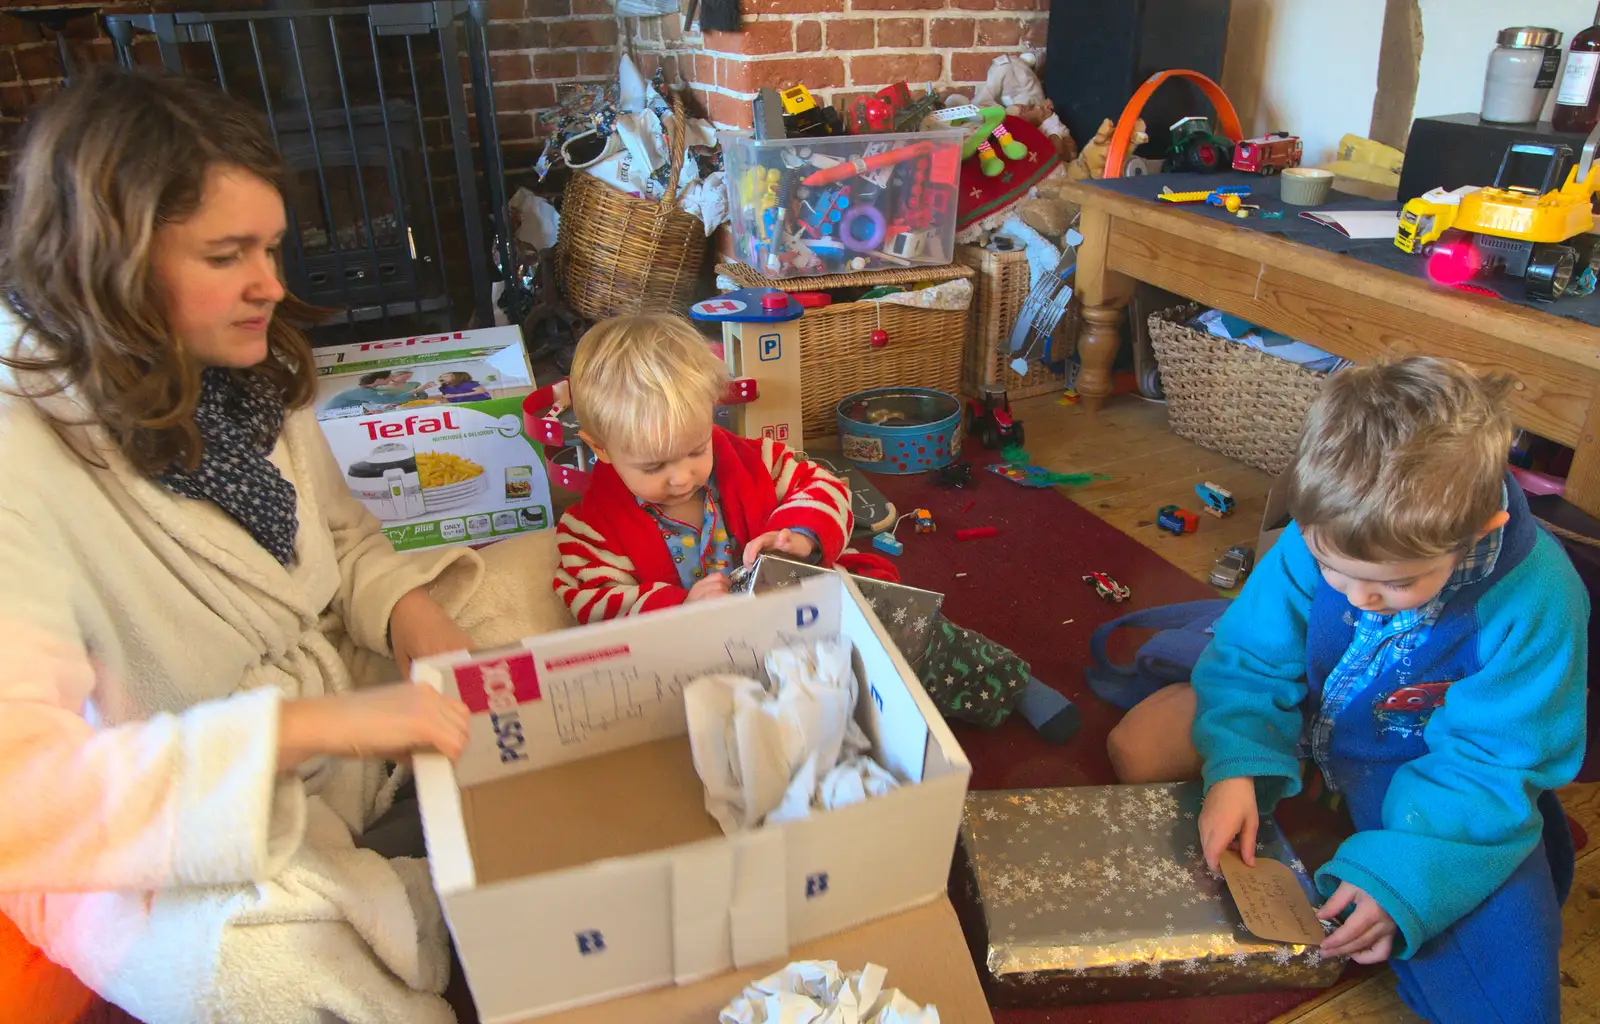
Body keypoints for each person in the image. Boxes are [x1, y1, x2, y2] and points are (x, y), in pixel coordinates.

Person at [0, 67, 558, 1024]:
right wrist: (310, 731)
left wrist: (415, 615)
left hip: (328, 722)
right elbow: (24, 801)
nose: (273, 285)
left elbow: (339, 540)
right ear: (114, 265)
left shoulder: (243, 368)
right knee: (274, 985)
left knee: (527, 564)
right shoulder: (20, 457)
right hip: (157, 833)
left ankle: (411, 844)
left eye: (271, 246)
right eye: (228, 256)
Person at [1105, 357, 1587, 1024]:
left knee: (1508, 997)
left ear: (1479, 533)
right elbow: (1249, 659)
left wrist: (1404, 879)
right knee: (1141, 750)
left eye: (1394, 586)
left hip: (1423, 766)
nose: (1361, 599)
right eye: (1334, 569)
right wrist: (1238, 767)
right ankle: (1293, 782)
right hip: (1311, 707)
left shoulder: (1538, 598)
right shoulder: (1324, 528)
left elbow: (1495, 762)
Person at [550, 314, 1080, 744]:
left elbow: (824, 487)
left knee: (895, 628)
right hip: (710, 659)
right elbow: (592, 602)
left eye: (696, 449)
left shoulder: (752, 461)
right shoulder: (589, 529)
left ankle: (1005, 682)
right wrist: (677, 606)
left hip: (801, 615)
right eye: (654, 467)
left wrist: (799, 534)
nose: (683, 475)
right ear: (599, 449)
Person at [321, 369, 426, 412]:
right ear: (379, 380)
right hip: (332, 415)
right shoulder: (366, 392)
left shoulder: (366, 390)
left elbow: (367, 403)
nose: (391, 380)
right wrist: (419, 389)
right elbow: (392, 399)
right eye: (389, 378)